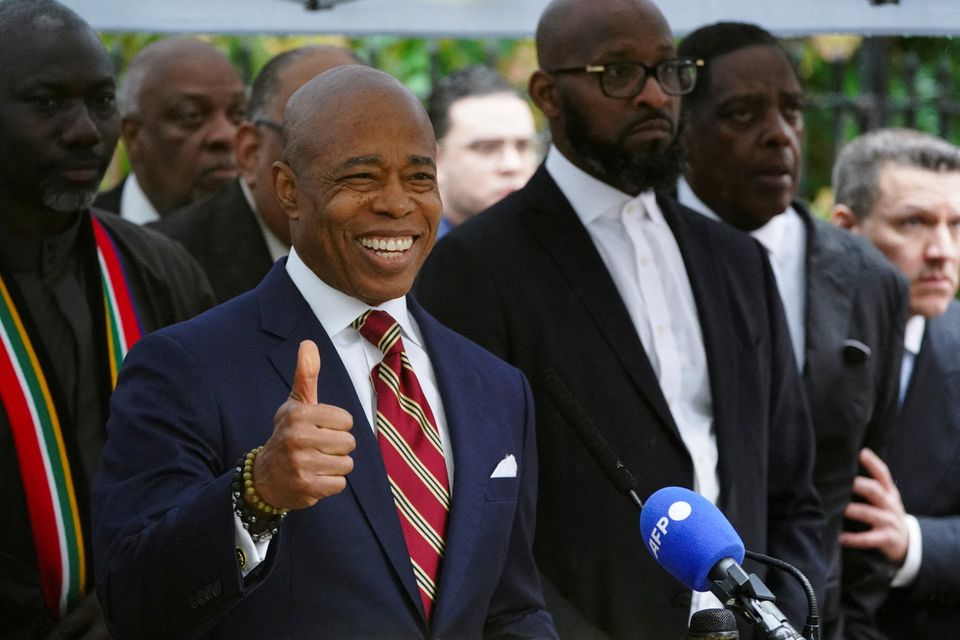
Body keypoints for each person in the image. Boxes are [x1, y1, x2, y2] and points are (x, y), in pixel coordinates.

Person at [92, 65, 558, 639]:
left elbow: (509, 609)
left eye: (418, 178)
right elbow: (131, 602)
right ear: (289, 189)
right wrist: (256, 493)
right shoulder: (185, 367)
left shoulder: (495, 386)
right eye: (361, 178)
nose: (396, 204)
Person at [415, 0, 825, 637]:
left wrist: (776, 618)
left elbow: (795, 491)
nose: (655, 96)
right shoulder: (476, 268)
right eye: (619, 74)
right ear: (548, 94)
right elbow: (473, 513)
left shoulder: (736, 263)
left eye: (668, 70)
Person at [675, 22, 908, 640]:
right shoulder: (637, 266)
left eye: (793, 110)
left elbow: (864, 482)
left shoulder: (869, 281)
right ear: (683, 132)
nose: (779, 134)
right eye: (742, 114)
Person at [0, 1, 216, 637]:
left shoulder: (162, 269)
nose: (85, 131)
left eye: (99, 102)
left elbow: (218, 461)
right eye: (46, 104)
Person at [832, 128, 960, 639]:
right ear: (846, 229)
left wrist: (912, 542)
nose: (942, 251)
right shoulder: (779, 339)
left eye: (956, 225)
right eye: (915, 223)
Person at [150, 45, 362, 302]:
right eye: (330, 142)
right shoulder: (163, 262)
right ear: (251, 151)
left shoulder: (407, 248)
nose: (360, 171)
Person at [94, 37, 247, 223]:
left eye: (238, 114)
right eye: (191, 115)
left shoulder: (279, 234)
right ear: (133, 136)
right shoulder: (81, 234)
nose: (227, 135)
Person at [427, 65, 538, 236]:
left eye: (522, 146)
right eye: (487, 148)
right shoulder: (407, 254)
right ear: (436, 161)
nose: (512, 165)